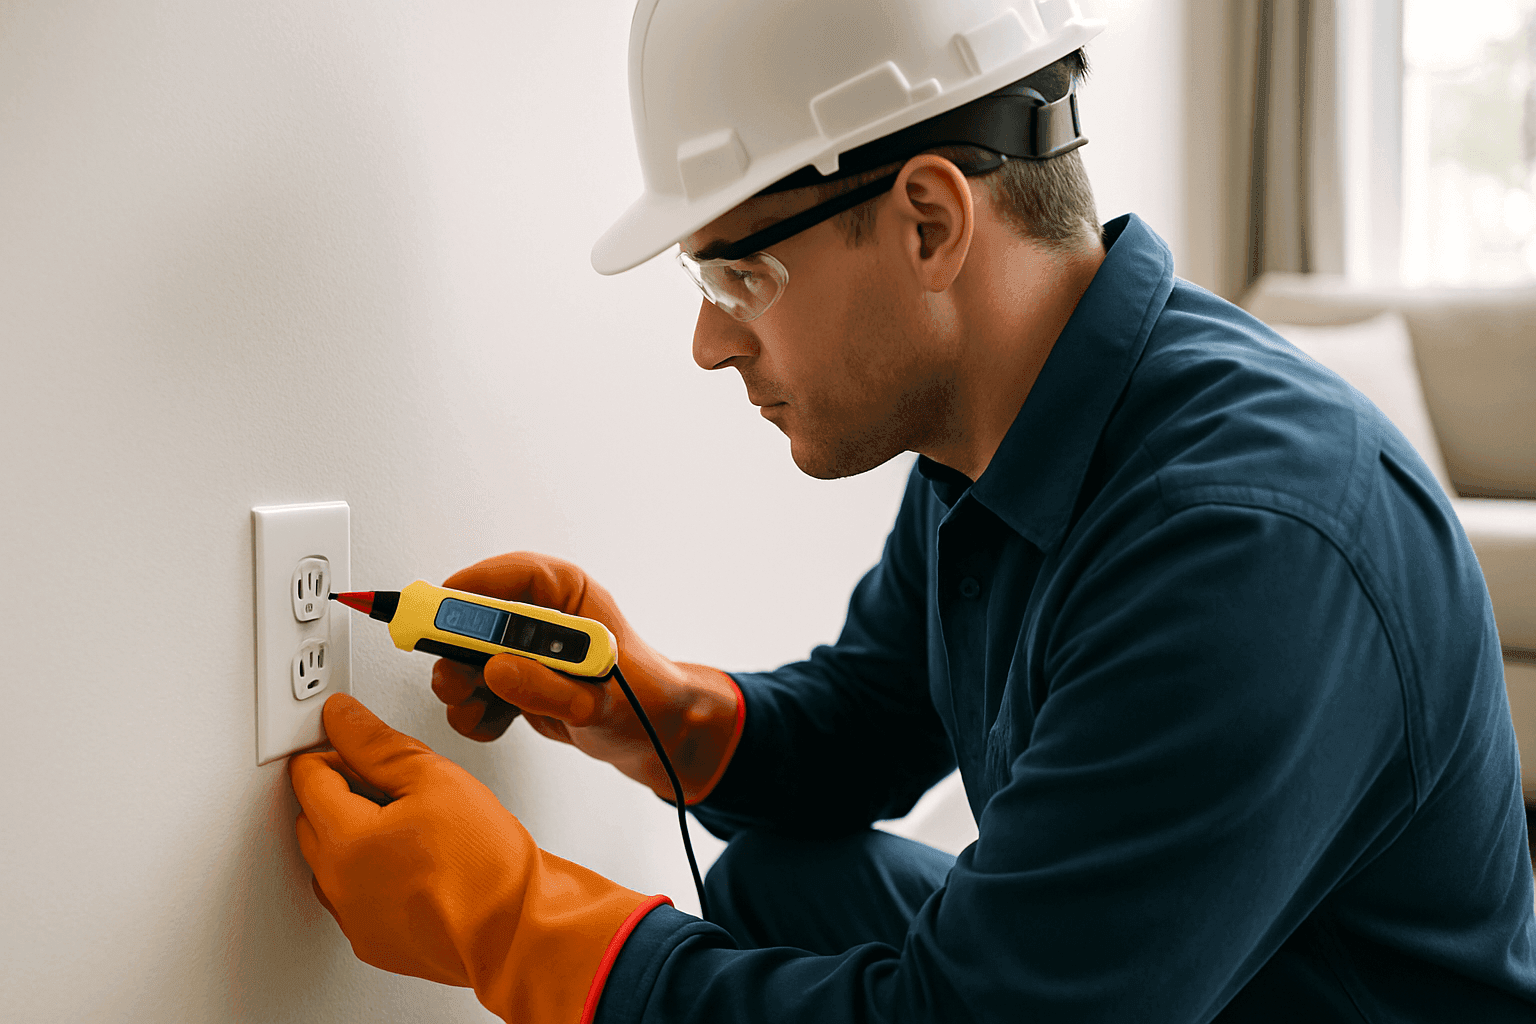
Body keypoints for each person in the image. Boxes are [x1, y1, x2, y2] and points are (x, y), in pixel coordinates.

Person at [287, 1, 1536, 1021]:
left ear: (930, 222)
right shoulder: (1010, 424)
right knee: (787, 883)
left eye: (739, 273)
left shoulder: (1247, 542)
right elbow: (874, 718)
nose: (710, 341)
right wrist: (654, 709)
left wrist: (512, 922)